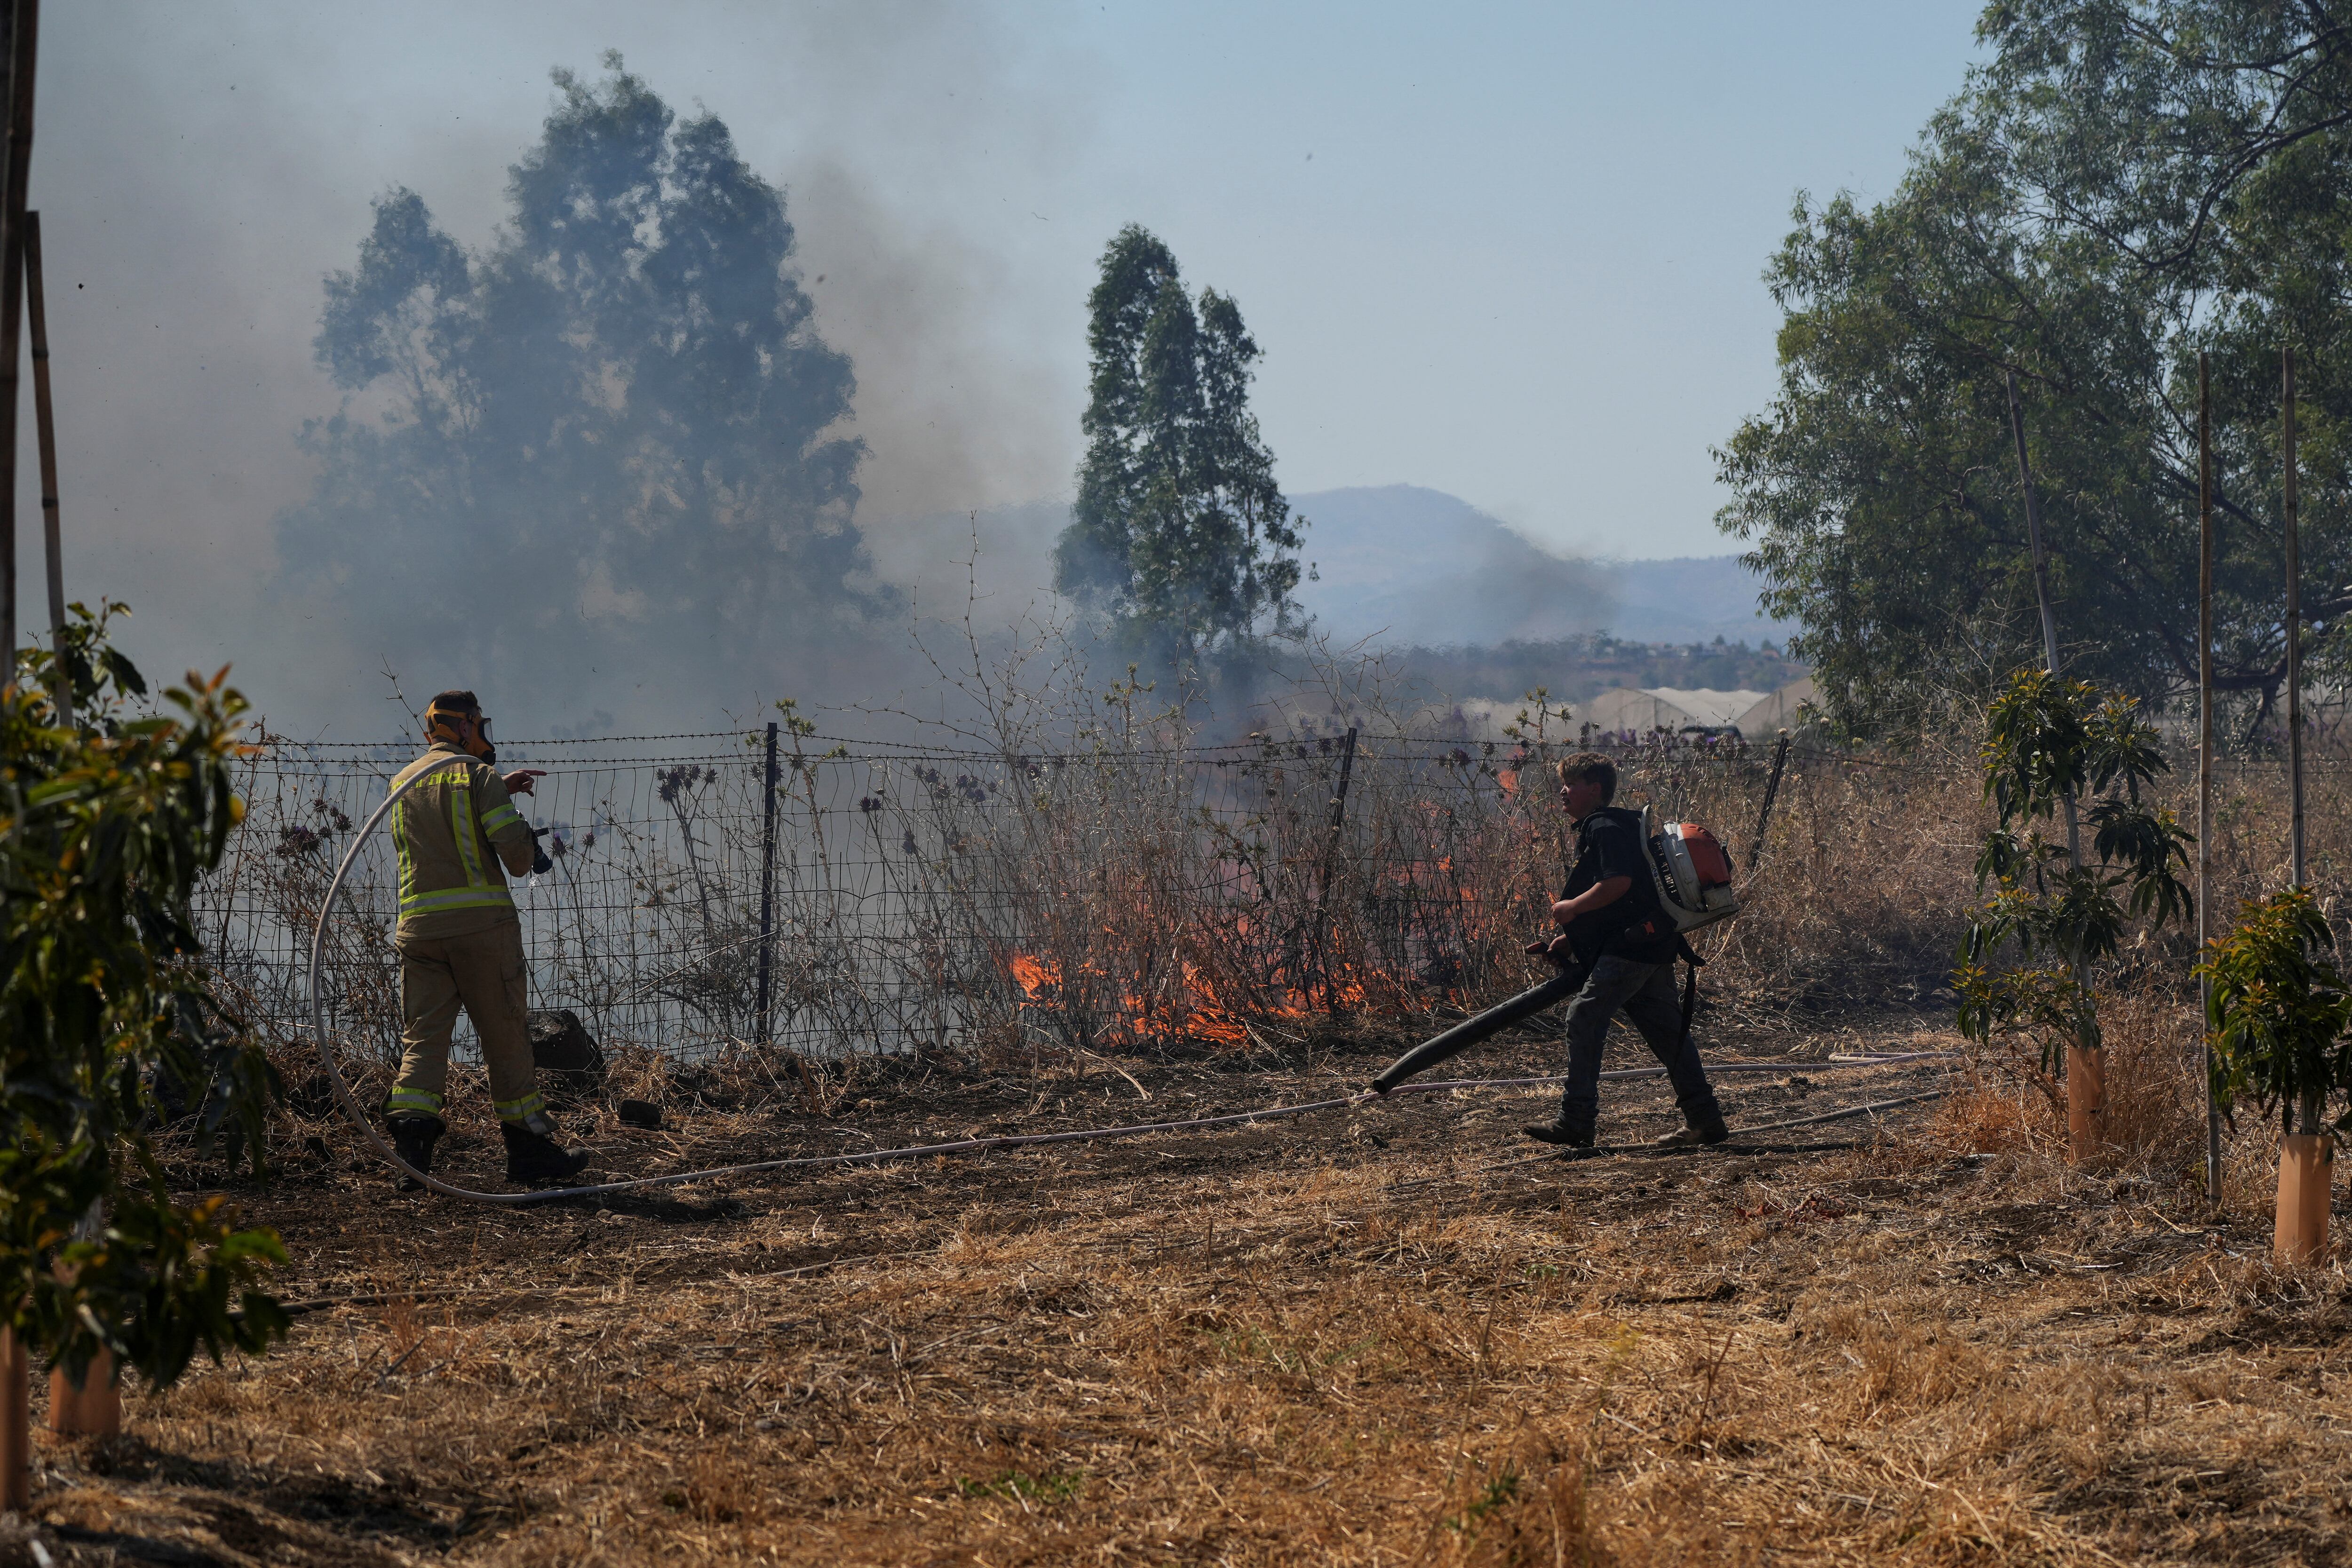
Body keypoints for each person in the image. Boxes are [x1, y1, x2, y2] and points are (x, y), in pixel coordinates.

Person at [381, 690, 593, 1188]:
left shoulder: (402, 781)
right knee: (506, 1039)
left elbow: (441, 827)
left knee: (424, 1042)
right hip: (480, 931)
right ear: (465, 726)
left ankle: (413, 1155)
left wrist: (497, 787)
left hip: (419, 932)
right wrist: (518, 827)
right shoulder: (477, 777)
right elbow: (518, 861)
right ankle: (529, 1153)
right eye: (479, 725)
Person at [1522, 752, 1729, 1150]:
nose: (1563, 791)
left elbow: (1616, 885)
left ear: (1594, 789)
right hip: (1650, 944)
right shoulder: (1614, 826)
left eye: (1571, 784)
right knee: (1669, 1034)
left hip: (1632, 950)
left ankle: (1576, 1120)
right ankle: (1706, 1122)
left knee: (1583, 1016)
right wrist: (1571, 939)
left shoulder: (1603, 827)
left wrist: (1569, 910)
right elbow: (1626, 901)